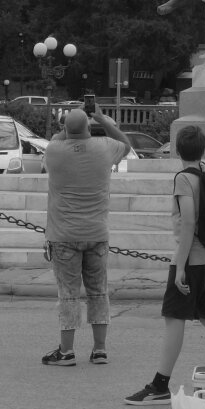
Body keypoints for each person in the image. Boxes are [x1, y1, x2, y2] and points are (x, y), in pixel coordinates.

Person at [124, 125, 205, 404]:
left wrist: (179, 268)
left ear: (177, 150)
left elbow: (189, 221)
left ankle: (160, 385)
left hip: (190, 259)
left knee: (174, 318)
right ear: (203, 149)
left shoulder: (184, 179)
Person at [41, 108, 132, 366]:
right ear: (89, 129)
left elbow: (61, 137)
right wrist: (102, 119)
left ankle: (67, 352)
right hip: (97, 233)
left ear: (67, 129)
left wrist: (70, 125)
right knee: (98, 291)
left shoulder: (54, 151)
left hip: (63, 235)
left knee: (68, 293)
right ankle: (100, 349)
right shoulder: (103, 148)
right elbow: (126, 144)